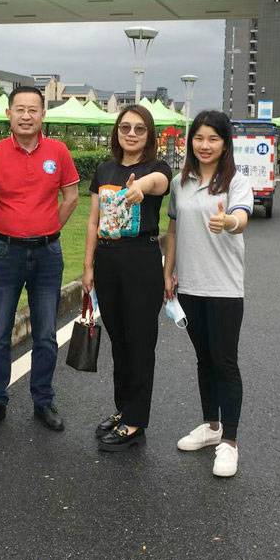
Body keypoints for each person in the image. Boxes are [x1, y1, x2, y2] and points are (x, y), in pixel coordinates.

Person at [0, 86, 79, 434]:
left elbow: (71, 197)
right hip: (5, 253)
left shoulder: (58, 151)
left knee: (45, 334)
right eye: (19, 109)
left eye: (33, 110)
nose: (26, 116)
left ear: (43, 114)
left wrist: (48, 229)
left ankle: (43, 400)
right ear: (8, 114)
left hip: (47, 254)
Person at [163, 110, 252, 477]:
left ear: (225, 144)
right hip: (190, 285)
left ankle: (229, 441)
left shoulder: (236, 183)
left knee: (224, 361)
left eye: (213, 138)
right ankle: (210, 426)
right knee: (204, 359)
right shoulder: (179, 182)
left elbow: (241, 219)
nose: (204, 145)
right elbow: (172, 229)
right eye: (199, 138)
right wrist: (168, 272)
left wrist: (227, 221)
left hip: (224, 287)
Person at [82, 104, 171, 452]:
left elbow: (159, 183)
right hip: (107, 261)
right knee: (119, 342)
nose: (131, 134)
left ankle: (135, 422)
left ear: (149, 135)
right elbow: (93, 220)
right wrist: (88, 267)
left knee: (139, 343)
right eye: (125, 128)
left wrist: (141, 186)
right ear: (116, 132)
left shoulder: (157, 168)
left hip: (140, 261)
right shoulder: (105, 169)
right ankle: (124, 409)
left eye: (139, 129)